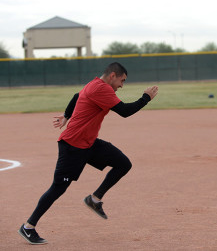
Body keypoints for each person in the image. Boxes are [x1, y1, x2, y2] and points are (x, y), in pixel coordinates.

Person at [18, 62, 158, 245]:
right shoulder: (101, 89)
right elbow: (124, 111)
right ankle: (28, 227)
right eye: (122, 81)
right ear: (113, 76)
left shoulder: (94, 84)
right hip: (73, 146)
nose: (122, 86)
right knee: (58, 188)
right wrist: (145, 98)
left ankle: (94, 199)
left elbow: (77, 96)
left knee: (123, 163)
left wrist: (67, 115)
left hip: (89, 143)